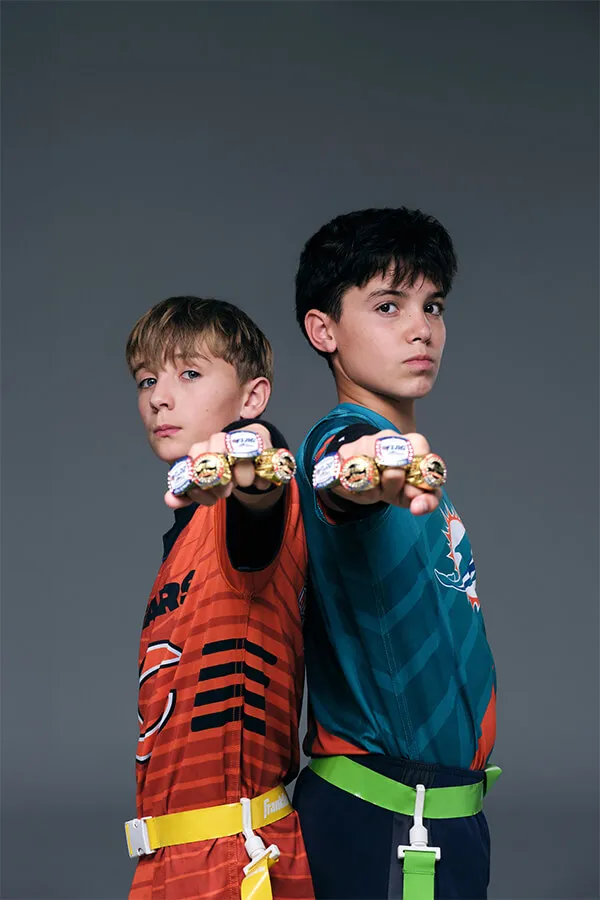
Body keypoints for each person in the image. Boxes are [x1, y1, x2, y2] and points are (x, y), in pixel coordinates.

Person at [291, 209, 500, 900]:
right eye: (388, 306)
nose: (422, 329)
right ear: (324, 329)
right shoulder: (346, 439)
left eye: (432, 305)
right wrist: (363, 472)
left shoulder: (420, 473)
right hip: (383, 823)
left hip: (443, 819)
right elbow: (337, 476)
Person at [123, 296, 314, 900]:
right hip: (173, 858)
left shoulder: (244, 507)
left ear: (252, 397)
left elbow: (260, 489)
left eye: (190, 373)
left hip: (234, 859)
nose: (159, 396)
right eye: (148, 379)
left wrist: (254, 462)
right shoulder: (185, 534)